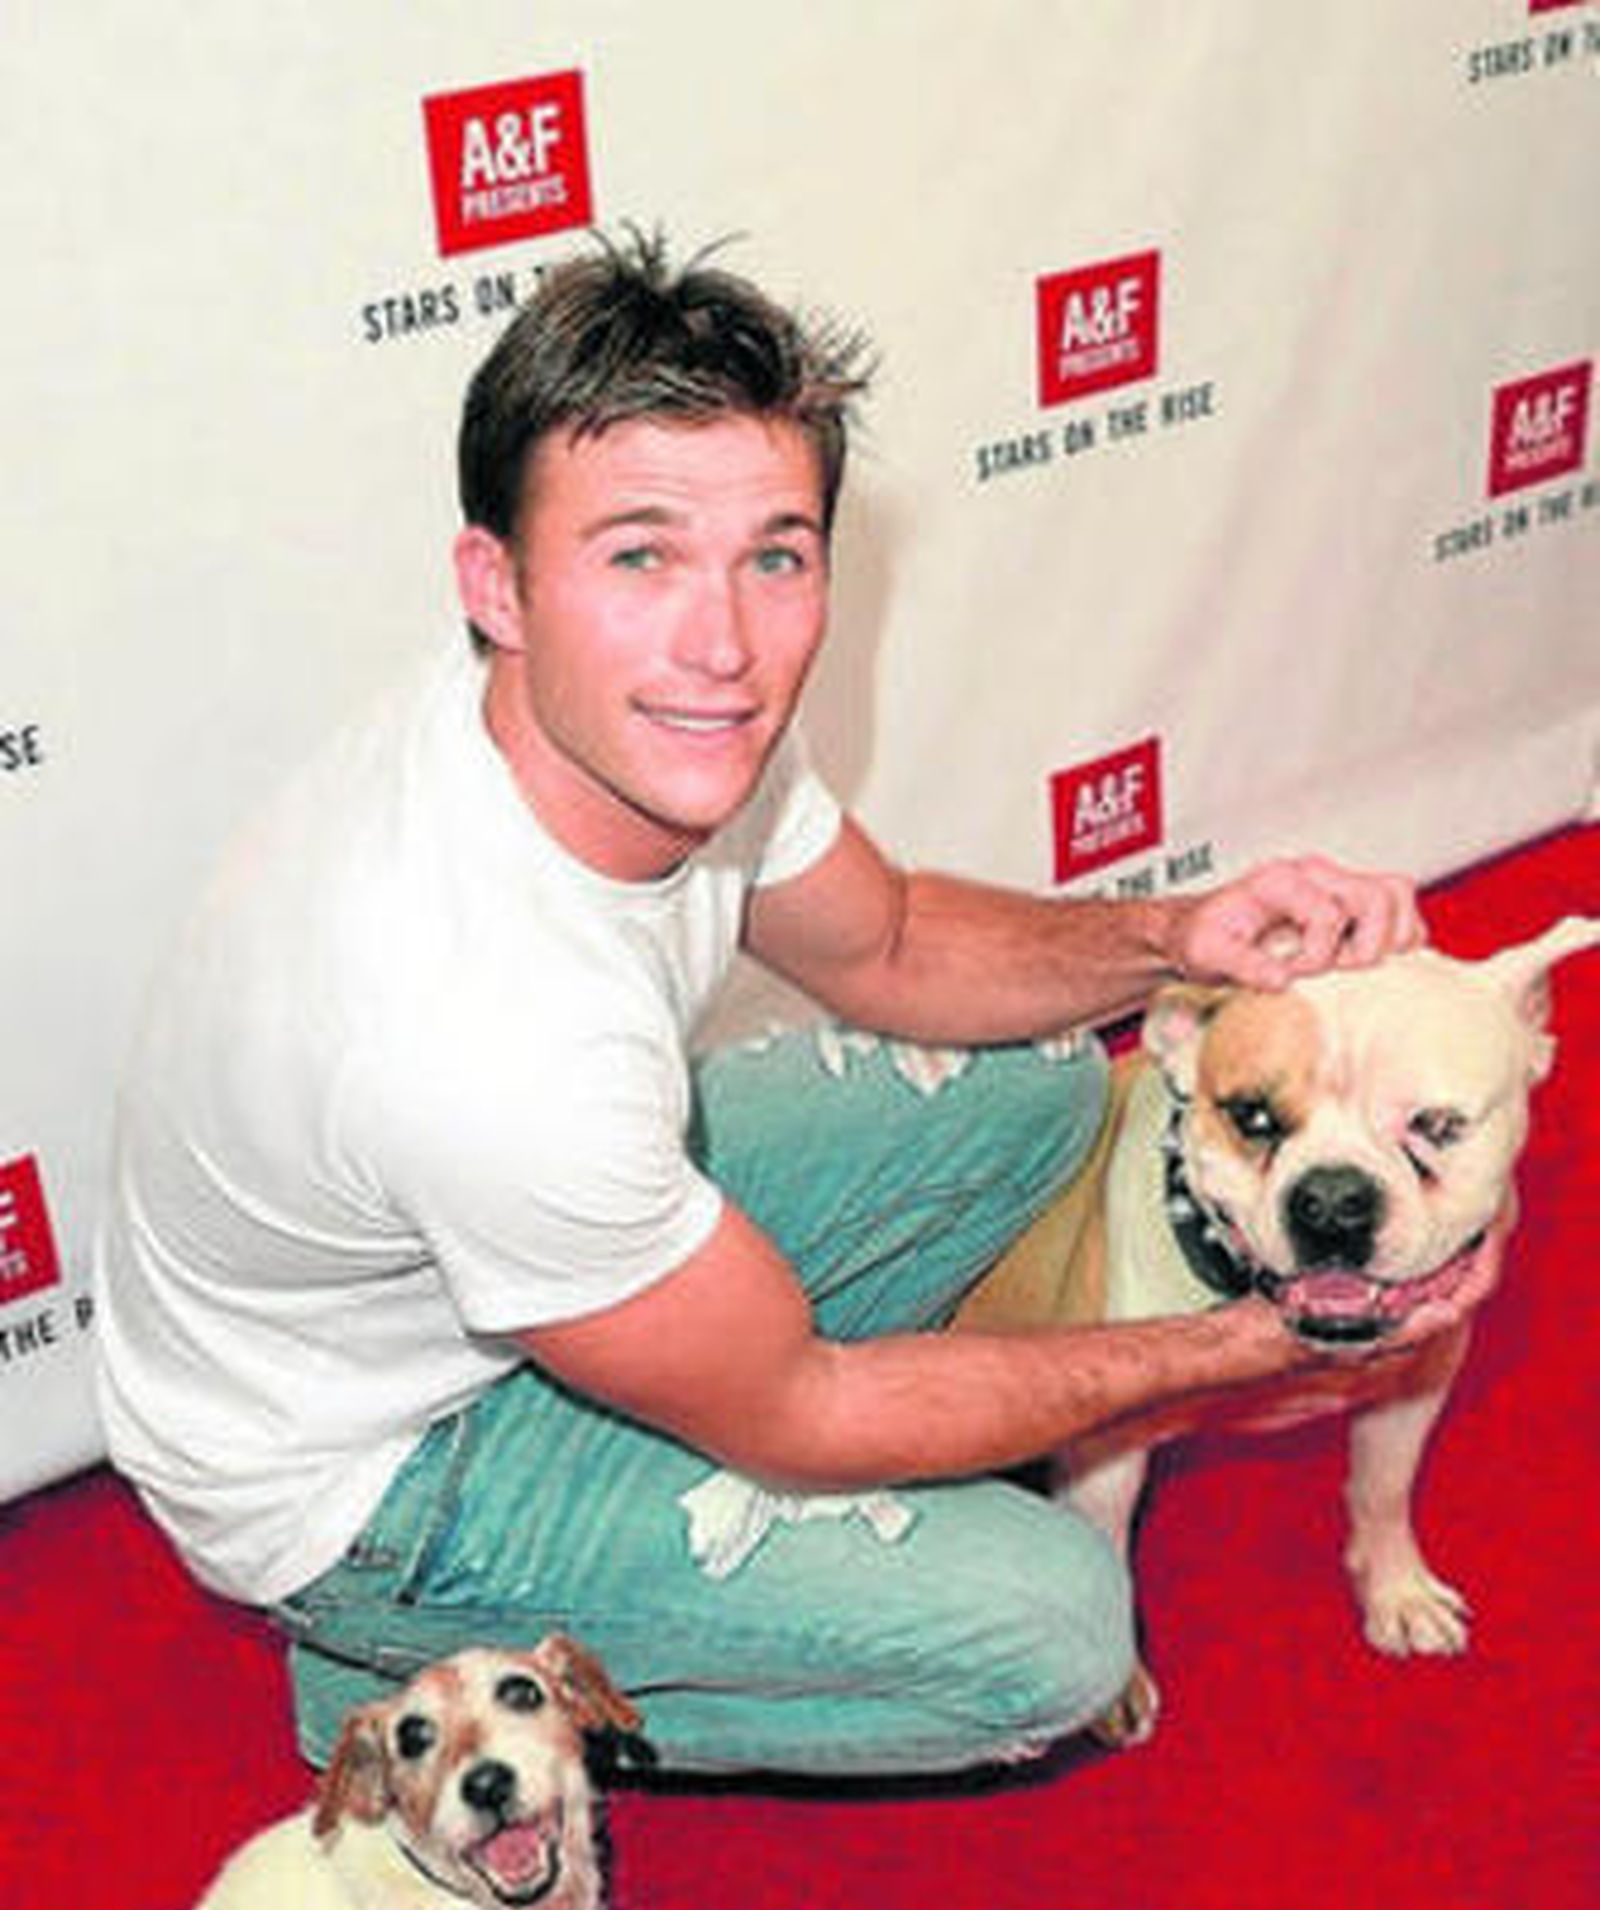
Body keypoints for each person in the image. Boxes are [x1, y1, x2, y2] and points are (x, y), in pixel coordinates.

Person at [95, 230, 1493, 1778]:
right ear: (496, 584)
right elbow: (801, 1409)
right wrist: (1238, 1348)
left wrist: (1180, 938)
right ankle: (400, 1653)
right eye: (639, 554)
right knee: (1053, 1634)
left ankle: (638, 1390)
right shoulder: (477, 1026)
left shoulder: (652, 723)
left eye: (776, 552)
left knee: (1036, 1082)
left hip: (484, 1274)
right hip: (370, 1475)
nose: (727, 642)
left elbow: (886, 939)